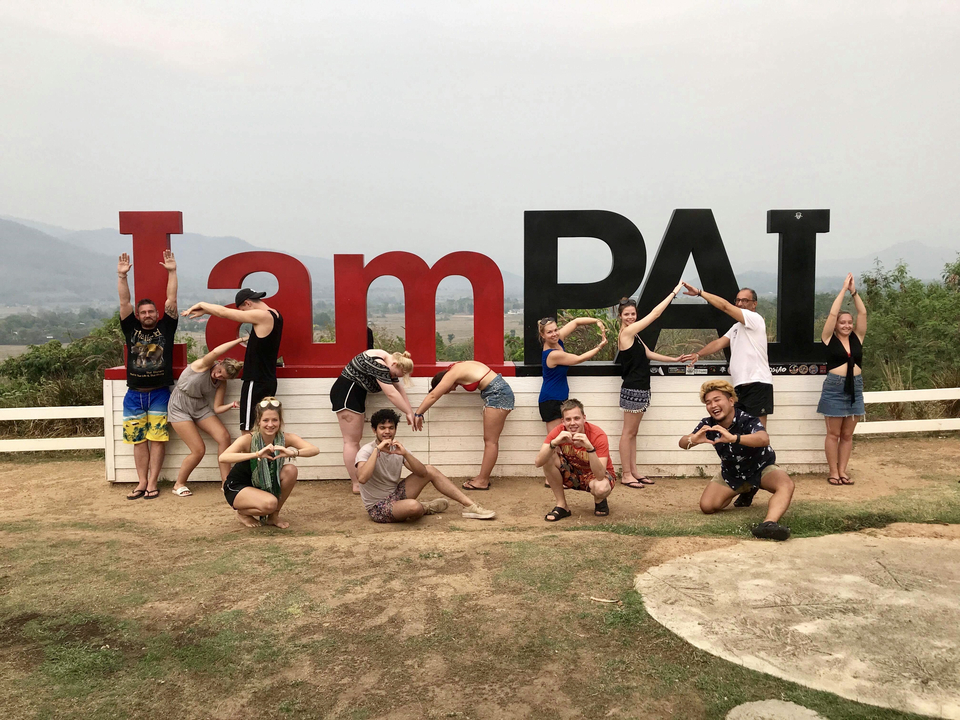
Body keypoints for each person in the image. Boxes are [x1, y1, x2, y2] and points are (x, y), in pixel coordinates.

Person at [679, 284, 775, 507]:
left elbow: (723, 305)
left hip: (758, 385)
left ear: (754, 304)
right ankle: (744, 483)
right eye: (738, 300)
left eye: (744, 301)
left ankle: (757, 482)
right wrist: (698, 353)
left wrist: (701, 293)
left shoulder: (754, 320)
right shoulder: (736, 327)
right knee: (738, 436)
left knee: (757, 439)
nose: (740, 304)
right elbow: (719, 343)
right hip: (740, 388)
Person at [678, 380, 794, 541]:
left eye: (717, 399)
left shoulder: (747, 419)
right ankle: (746, 489)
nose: (713, 405)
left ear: (731, 401)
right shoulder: (707, 424)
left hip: (760, 468)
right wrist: (694, 439)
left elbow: (763, 438)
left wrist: (734, 438)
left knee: (785, 485)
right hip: (732, 473)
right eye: (708, 402)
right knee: (707, 506)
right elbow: (682, 443)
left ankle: (769, 524)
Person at [356, 409, 497, 523]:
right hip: (378, 507)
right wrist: (377, 450)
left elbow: (423, 473)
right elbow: (362, 478)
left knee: (430, 469)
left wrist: (405, 454)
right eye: (382, 428)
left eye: (391, 428)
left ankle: (471, 506)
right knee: (414, 507)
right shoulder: (367, 451)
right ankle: (425, 507)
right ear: (374, 430)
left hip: (395, 495)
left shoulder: (397, 449)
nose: (387, 432)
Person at [117, 250, 178, 500]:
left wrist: (172, 272)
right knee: (138, 440)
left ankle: (153, 482)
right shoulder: (130, 327)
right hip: (134, 395)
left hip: (159, 394)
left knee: (158, 439)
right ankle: (141, 482)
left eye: (151, 311)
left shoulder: (167, 326)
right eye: (143, 313)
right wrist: (122, 277)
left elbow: (171, 300)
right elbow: (124, 304)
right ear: (138, 316)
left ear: (156, 313)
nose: (148, 315)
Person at [181, 289, 283, 434]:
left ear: (247, 303)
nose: (244, 314)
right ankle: (262, 456)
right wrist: (207, 312)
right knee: (263, 429)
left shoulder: (262, 315)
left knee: (248, 430)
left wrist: (202, 304)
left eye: (243, 310)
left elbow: (224, 313)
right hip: (268, 380)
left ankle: (250, 457)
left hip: (256, 381)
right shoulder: (276, 314)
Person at [616, 285, 684, 489]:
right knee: (628, 432)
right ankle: (626, 474)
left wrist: (673, 359)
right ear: (620, 316)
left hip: (642, 387)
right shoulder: (627, 333)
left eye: (633, 313)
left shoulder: (634, 335)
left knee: (633, 433)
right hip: (633, 388)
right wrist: (674, 291)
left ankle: (633, 471)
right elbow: (655, 314)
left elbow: (648, 354)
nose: (630, 317)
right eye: (626, 314)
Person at [219, 397, 318, 528]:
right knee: (270, 504)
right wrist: (256, 454)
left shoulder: (285, 438)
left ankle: (273, 516)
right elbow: (223, 457)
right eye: (265, 420)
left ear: (280, 421)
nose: (270, 424)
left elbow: (314, 449)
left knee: (290, 470)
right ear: (259, 421)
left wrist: (293, 453)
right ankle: (243, 513)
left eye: (274, 420)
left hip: (263, 484)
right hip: (238, 486)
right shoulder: (248, 439)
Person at [415, 361, 514, 491]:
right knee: (490, 441)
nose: (454, 389)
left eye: (449, 389)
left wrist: (418, 413)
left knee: (491, 441)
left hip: (498, 395)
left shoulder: (453, 373)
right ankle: (482, 478)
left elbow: (433, 395)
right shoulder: (457, 366)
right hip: (498, 393)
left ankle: (482, 481)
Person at [330, 350, 417, 494]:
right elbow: (391, 393)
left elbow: (398, 388)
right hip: (347, 395)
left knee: (353, 441)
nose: (393, 377)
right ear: (395, 364)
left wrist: (411, 412)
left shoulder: (388, 360)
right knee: (351, 441)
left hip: (354, 395)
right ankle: (357, 484)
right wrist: (407, 412)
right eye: (395, 374)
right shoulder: (379, 364)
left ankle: (359, 481)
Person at [168, 337, 245, 497]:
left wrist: (231, 405)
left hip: (199, 407)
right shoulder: (204, 364)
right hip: (179, 406)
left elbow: (217, 407)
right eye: (219, 371)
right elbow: (217, 351)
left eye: (223, 377)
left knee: (224, 436)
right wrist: (241, 339)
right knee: (198, 449)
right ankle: (178, 484)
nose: (218, 376)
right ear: (219, 363)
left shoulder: (220, 383)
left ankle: (226, 482)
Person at [818, 273, 867, 486]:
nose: (846, 325)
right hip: (834, 387)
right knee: (833, 433)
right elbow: (832, 313)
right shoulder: (829, 338)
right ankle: (833, 472)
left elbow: (863, 312)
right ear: (836, 325)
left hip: (855, 386)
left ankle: (843, 470)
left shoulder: (858, 337)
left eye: (849, 322)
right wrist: (842, 290)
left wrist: (853, 291)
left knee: (848, 434)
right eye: (842, 322)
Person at [535, 399, 616, 521]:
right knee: (548, 456)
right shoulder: (558, 431)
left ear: (584, 418)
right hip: (573, 473)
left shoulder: (598, 435)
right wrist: (554, 443)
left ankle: (599, 500)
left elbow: (600, 475)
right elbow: (538, 462)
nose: (572, 423)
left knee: (601, 488)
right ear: (563, 421)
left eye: (577, 418)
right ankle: (562, 506)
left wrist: (590, 448)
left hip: (596, 476)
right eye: (568, 419)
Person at [537, 316, 607, 431]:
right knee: (556, 441)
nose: (554, 334)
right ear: (542, 335)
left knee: (565, 440)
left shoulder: (558, 339)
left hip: (560, 398)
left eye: (556, 330)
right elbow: (578, 359)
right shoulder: (552, 354)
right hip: (551, 401)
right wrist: (600, 346)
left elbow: (576, 322)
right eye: (549, 332)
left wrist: (597, 321)